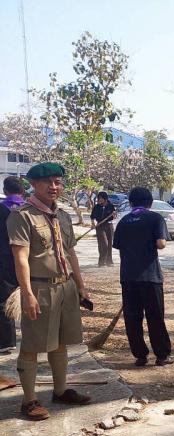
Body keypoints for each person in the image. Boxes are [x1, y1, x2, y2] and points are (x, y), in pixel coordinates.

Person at [7, 162, 91, 421]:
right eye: (48, 182)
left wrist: (80, 285)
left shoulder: (63, 216)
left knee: (61, 342)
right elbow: (20, 258)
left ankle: (60, 390)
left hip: (64, 286)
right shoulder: (22, 216)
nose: (54, 187)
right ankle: (29, 401)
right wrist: (27, 294)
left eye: (58, 181)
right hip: (40, 287)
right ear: (33, 184)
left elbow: (70, 253)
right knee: (32, 345)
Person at [112, 187, 174, 367]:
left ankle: (140, 355)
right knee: (155, 316)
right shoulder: (155, 218)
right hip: (150, 276)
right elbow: (161, 244)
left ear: (131, 202)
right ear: (150, 202)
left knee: (132, 317)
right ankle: (162, 355)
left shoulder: (124, 221)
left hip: (128, 276)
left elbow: (118, 245)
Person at [0, 177, 26, 353]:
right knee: (32, 295)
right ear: (22, 191)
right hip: (30, 258)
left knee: (4, 299)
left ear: (5, 190)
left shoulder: (1, 208)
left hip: (5, 259)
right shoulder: (30, 208)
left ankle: (7, 341)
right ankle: (36, 338)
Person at [90, 191, 116, 267]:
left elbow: (114, 216)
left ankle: (109, 261)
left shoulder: (110, 206)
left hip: (109, 226)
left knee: (109, 244)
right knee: (104, 244)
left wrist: (114, 215)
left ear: (105, 199)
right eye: (99, 198)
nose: (100, 200)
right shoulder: (97, 207)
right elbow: (92, 217)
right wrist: (93, 224)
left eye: (101, 198)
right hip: (100, 226)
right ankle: (101, 262)